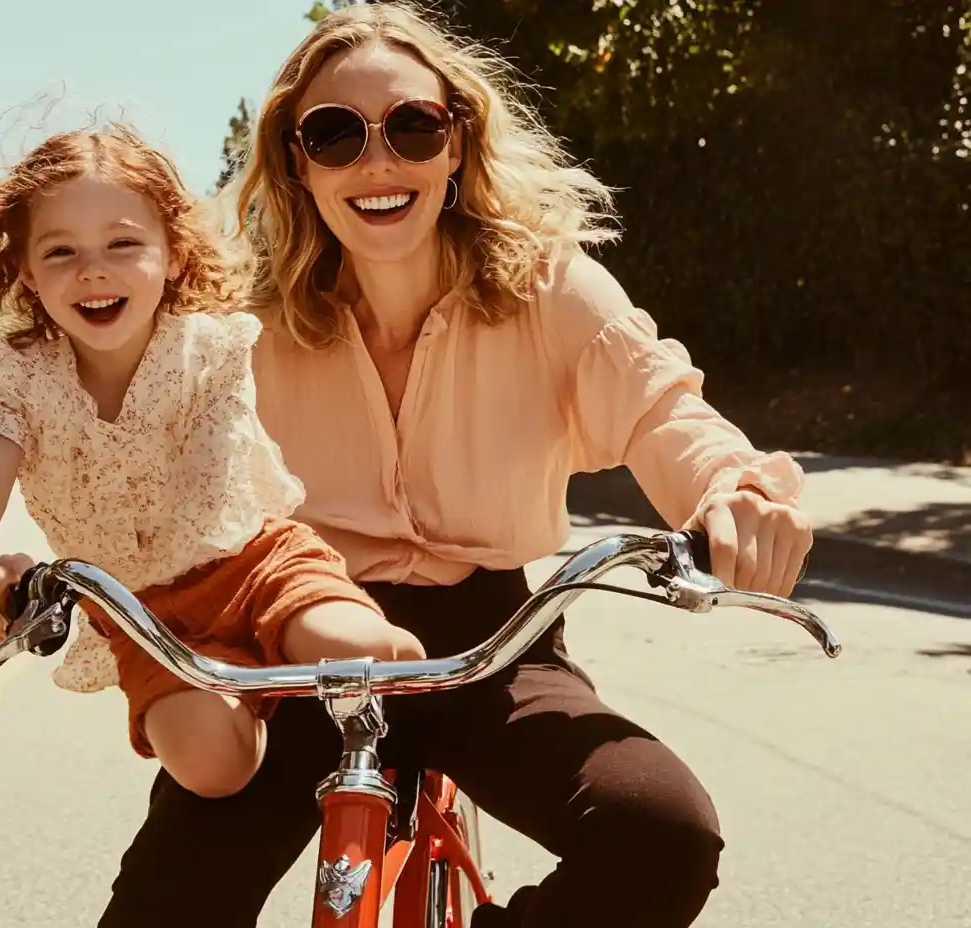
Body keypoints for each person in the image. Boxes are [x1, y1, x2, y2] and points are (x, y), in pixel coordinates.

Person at [91, 4, 817, 928]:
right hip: (304, 642)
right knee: (161, 909)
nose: (377, 162)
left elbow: (665, 411)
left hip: (496, 645)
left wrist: (733, 493)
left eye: (412, 127)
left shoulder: (550, 288)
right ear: (296, 164)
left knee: (662, 836)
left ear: (457, 145)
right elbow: (114, 418)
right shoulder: (242, 326)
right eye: (335, 136)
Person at [0, 124, 426, 801]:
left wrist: (50, 577)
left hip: (254, 566)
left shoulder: (207, 352)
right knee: (212, 770)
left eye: (123, 244)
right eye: (61, 252)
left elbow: (209, 491)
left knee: (370, 653)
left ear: (173, 256)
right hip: (147, 614)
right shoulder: (27, 379)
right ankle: (263, 717)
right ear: (29, 273)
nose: (94, 270)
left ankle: (379, 719)